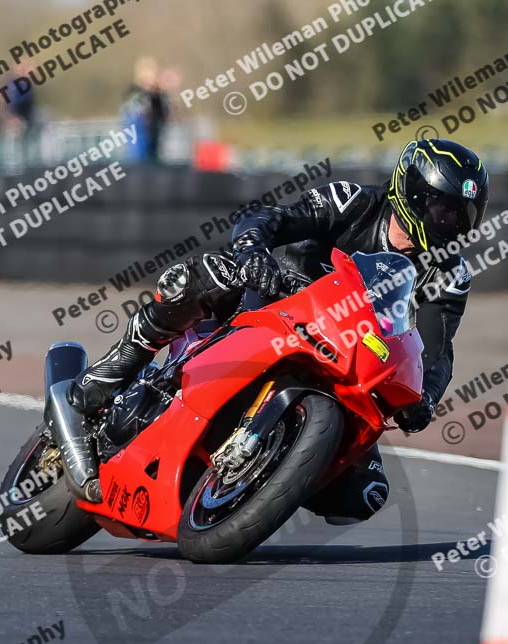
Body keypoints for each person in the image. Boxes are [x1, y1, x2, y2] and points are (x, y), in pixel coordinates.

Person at [69, 138, 488, 521]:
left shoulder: (450, 274)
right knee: (209, 275)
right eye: (444, 211)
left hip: (348, 360)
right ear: (414, 195)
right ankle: (110, 372)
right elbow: (269, 218)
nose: (452, 224)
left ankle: (267, 478)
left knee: (365, 495)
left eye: (463, 216)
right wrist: (253, 252)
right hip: (276, 307)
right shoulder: (353, 201)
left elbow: (436, 350)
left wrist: (424, 398)